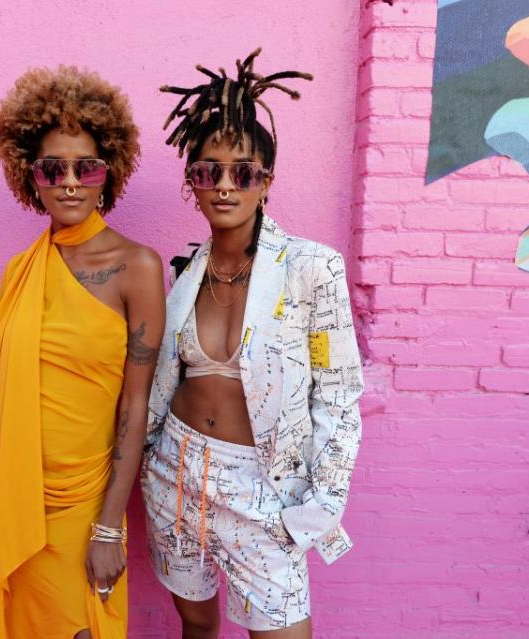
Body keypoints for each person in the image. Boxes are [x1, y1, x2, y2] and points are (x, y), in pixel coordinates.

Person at [142, 49, 364, 638]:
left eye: (242, 171)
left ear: (266, 181)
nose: (223, 185)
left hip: (262, 488)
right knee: (196, 626)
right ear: (191, 182)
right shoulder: (185, 273)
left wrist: (315, 513)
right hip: (175, 473)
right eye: (207, 170)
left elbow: (339, 399)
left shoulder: (313, 269)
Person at [0, 66, 165, 639]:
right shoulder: (20, 272)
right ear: (33, 177)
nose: (70, 181)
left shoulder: (137, 267)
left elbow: (135, 406)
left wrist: (108, 530)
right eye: (54, 168)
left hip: (83, 503)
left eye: (86, 166)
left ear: (108, 173)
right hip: (9, 494)